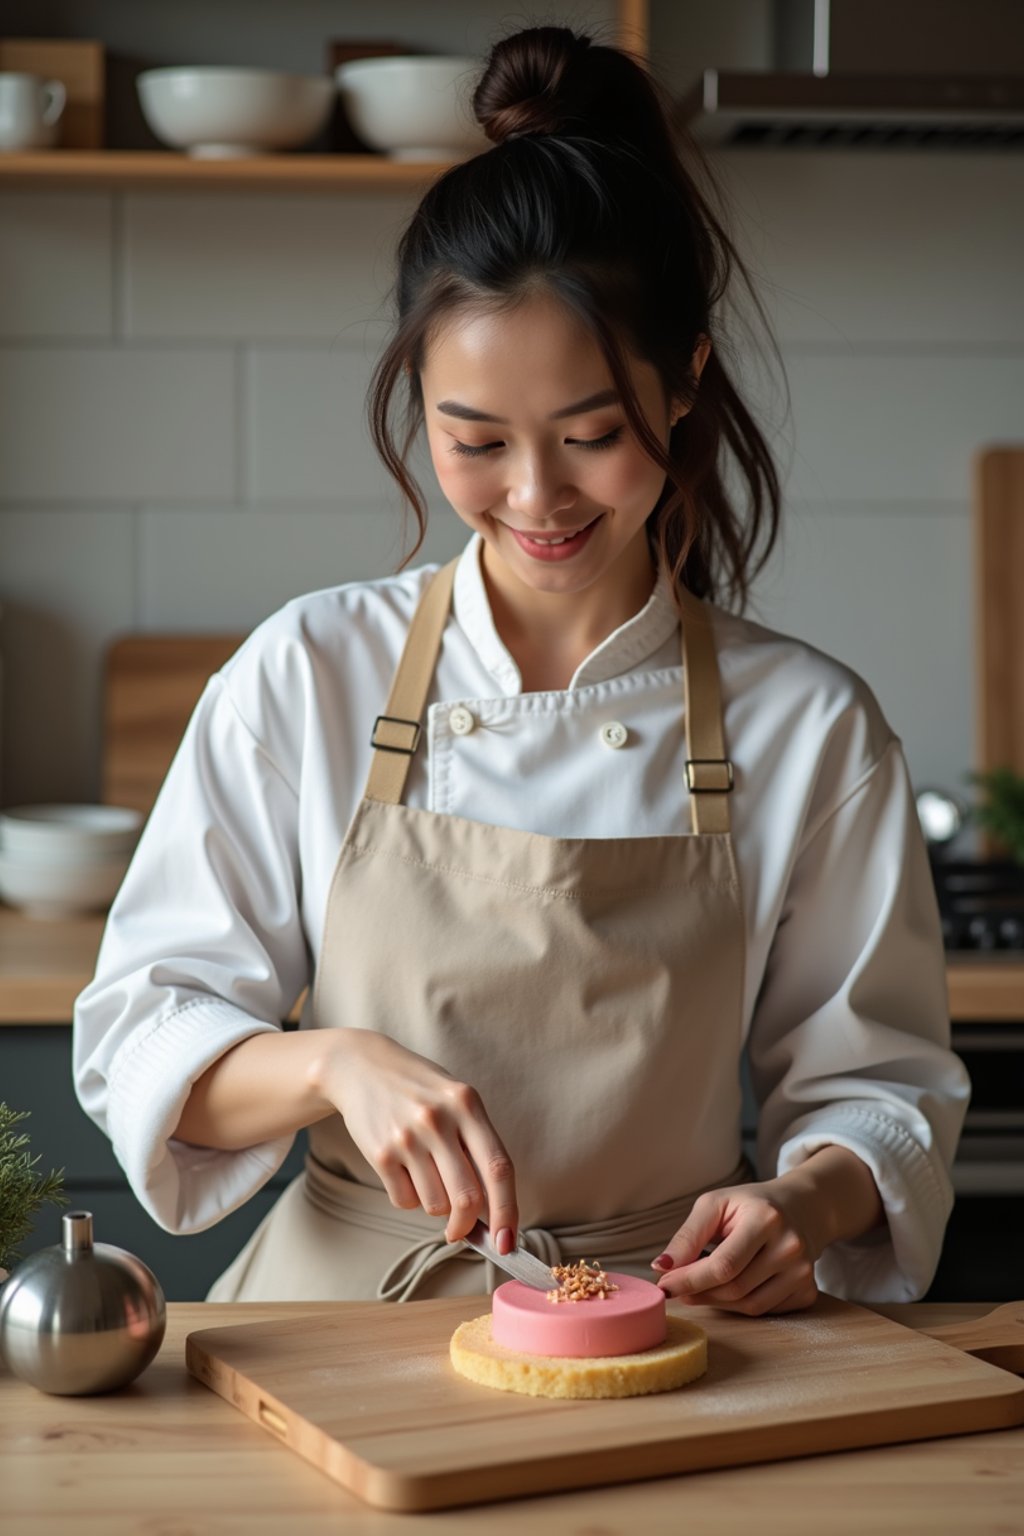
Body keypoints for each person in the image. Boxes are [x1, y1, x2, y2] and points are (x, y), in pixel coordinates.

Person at [73, 24, 969, 1313]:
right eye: (475, 438)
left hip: (673, 1336)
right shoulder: (307, 673)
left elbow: (880, 1087)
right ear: (417, 401)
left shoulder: (808, 725)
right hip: (339, 1325)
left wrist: (807, 1200)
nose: (536, 496)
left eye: (592, 433)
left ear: (684, 385)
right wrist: (332, 1065)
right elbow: (141, 1035)